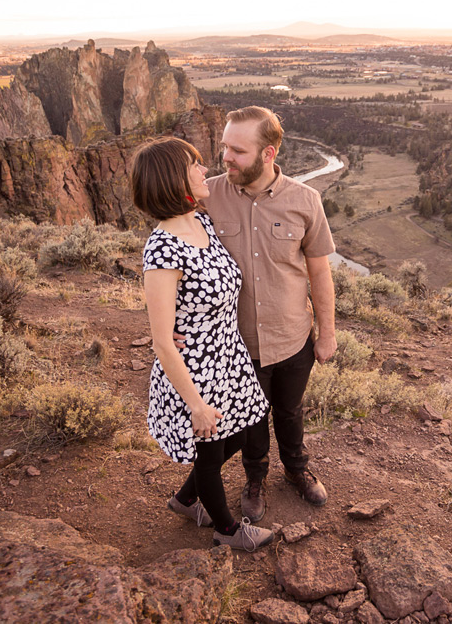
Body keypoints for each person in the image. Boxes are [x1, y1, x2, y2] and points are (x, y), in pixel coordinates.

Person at [130, 136, 273, 551]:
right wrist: (194, 403)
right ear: (174, 179)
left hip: (228, 358)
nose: (203, 169)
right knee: (210, 453)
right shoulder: (162, 248)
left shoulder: (202, 222)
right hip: (196, 370)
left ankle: (186, 498)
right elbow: (162, 340)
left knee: (243, 432)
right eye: (193, 165)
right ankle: (227, 530)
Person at [203, 106, 337, 523]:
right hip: (237, 342)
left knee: (290, 411)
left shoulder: (305, 200)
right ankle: (255, 479)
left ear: (268, 153)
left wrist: (327, 333)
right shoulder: (207, 197)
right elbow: (179, 266)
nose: (226, 157)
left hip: (293, 335)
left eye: (237, 150)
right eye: (224, 146)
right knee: (251, 418)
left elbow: (319, 272)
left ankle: (297, 469)